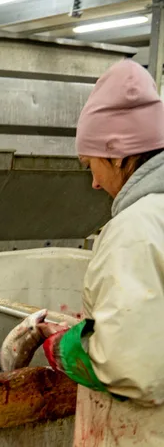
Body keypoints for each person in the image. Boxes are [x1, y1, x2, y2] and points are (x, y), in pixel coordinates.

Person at [35, 59, 164, 446]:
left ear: (119, 155)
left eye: (92, 164)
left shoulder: (135, 229)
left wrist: (67, 347)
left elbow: (129, 366)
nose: (93, 182)